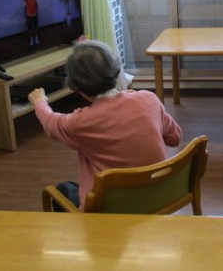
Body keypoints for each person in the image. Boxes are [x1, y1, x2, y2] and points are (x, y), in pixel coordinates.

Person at [28, 40, 183, 210]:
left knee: (63, 190)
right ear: (115, 72)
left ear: (76, 86)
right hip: (158, 199)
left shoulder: (80, 123)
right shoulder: (148, 99)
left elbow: (51, 123)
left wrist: (39, 102)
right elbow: (175, 138)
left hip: (111, 211)